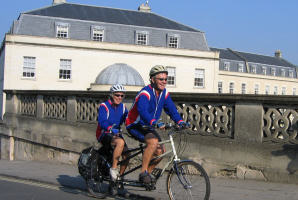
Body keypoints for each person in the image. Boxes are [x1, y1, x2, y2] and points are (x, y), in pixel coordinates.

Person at [125, 65, 186, 184]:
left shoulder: (164, 94)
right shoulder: (145, 93)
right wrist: (155, 122)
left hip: (147, 126)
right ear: (152, 80)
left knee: (160, 152)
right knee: (153, 143)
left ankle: (146, 175)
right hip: (135, 124)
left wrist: (180, 121)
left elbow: (172, 110)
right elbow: (142, 111)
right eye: (160, 79)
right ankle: (143, 173)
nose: (164, 82)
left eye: (165, 79)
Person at [96, 84, 129, 183]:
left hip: (116, 134)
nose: (119, 97)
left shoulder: (123, 107)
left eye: (122, 96)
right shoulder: (104, 106)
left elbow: (128, 120)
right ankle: (113, 170)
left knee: (127, 154)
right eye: (117, 95)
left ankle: (119, 178)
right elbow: (102, 121)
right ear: (112, 95)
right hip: (104, 133)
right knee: (120, 143)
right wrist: (110, 128)